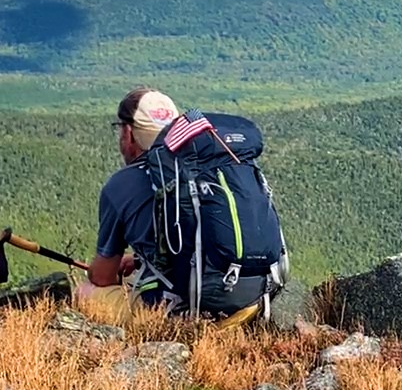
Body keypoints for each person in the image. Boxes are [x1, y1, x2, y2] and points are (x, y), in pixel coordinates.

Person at [78, 87, 287, 319]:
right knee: (134, 275)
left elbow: (103, 277)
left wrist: (100, 269)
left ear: (128, 133)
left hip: (180, 308)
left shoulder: (120, 185)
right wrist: (138, 260)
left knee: (86, 292)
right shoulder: (204, 168)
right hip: (253, 295)